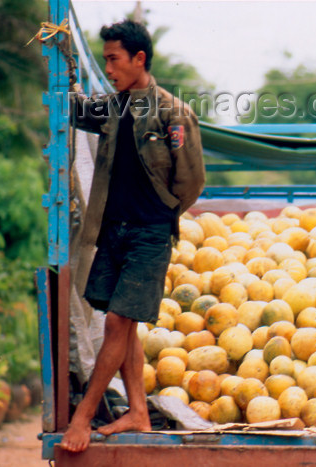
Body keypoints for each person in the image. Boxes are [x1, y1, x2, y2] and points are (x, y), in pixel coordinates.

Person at [61, 20, 205, 452]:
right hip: (113, 231)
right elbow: (69, 107)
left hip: (148, 235)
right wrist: (64, 60)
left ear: (139, 59)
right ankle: (138, 412)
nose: (108, 68)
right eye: (104, 59)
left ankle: (83, 418)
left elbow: (192, 181)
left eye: (113, 59)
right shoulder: (111, 107)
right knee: (121, 326)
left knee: (118, 323)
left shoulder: (171, 112)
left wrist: (160, 215)